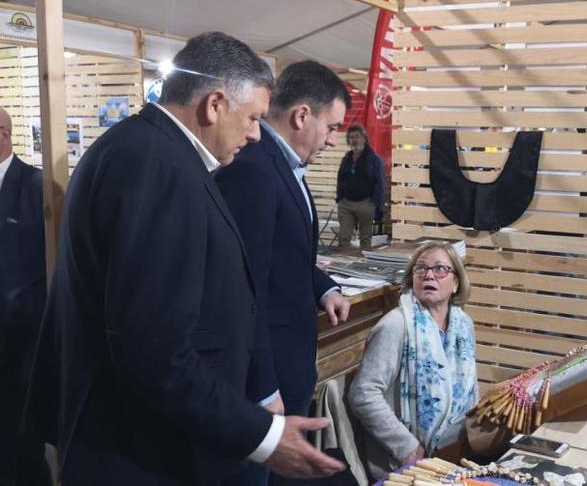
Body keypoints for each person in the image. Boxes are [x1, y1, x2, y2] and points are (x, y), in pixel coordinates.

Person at [23, 33, 344, 485]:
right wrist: (262, 436)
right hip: (134, 448)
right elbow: (153, 348)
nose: (256, 134)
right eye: (252, 118)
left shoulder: (150, 150)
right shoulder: (157, 167)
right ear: (214, 104)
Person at [214, 61, 352, 484]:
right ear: (302, 115)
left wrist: (323, 286)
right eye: (332, 127)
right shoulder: (254, 169)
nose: (333, 141)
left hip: (284, 368)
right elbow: (242, 285)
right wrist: (263, 387)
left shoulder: (283, 166)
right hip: (263, 377)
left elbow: (286, 257)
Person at [348, 241, 478, 480]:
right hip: (404, 463)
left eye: (440, 269)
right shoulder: (396, 325)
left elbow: (471, 392)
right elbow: (363, 394)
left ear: (456, 282)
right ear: (412, 279)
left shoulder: (464, 325)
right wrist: (407, 447)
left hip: (455, 453)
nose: (429, 275)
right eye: (421, 269)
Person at [0, 107, 51, 486]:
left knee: (22, 445)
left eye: (1, 129)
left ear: (8, 133)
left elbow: (51, 267)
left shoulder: (37, 187)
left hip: (21, 344)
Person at [335, 123, 385, 250]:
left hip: (365, 204)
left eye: (357, 136)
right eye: (351, 137)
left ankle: (363, 267)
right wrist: (339, 199)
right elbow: (340, 179)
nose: (354, 140)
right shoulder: (346, 159)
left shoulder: (374, 159)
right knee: (343, 238)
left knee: (365, 241)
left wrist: (376, 205)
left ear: (364, 138)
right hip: (346, 204)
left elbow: (379, 183)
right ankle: (342, 267)